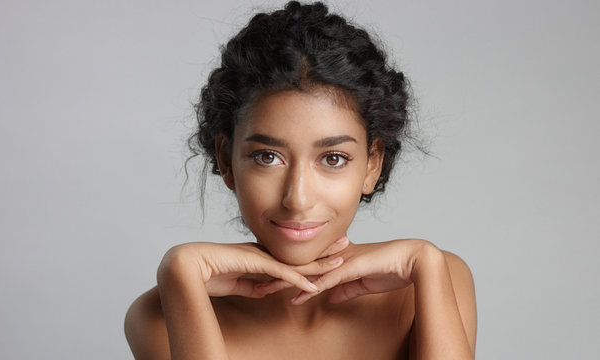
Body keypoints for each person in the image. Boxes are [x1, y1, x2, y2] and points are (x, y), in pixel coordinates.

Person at [125, 2, 477, 359]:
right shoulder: (160, 313)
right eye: (268, 157)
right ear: (226, 160)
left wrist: (427, 265)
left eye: (333, 158)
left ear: (372, 165)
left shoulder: (432, 281)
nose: (298, 198)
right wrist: (181, 274)